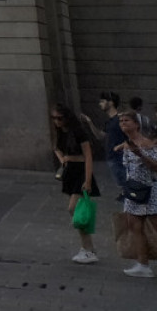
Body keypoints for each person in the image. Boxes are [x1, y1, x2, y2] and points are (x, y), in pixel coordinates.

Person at [113, 108, 157, 278]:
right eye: (121, 121)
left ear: (136, 124)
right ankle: (143, 264)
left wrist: (140, 154)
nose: (123, 124)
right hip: (134, 191)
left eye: (126, 121)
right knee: (135, 226)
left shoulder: (146, 144)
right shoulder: (128, 144)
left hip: (151, 190)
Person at [52, 104, 100, 264]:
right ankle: (87, 248)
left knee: (74, 209)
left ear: (67, 117)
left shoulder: (78, 132)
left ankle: (88, 249)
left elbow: (88, 156)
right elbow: (56, 148)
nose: (57, 121)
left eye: (59, 118)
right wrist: (63, 160)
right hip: (71, 172)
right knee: (78, 212)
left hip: (81, 172)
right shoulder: (61, 132)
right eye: (54, 118)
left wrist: (88, 180)